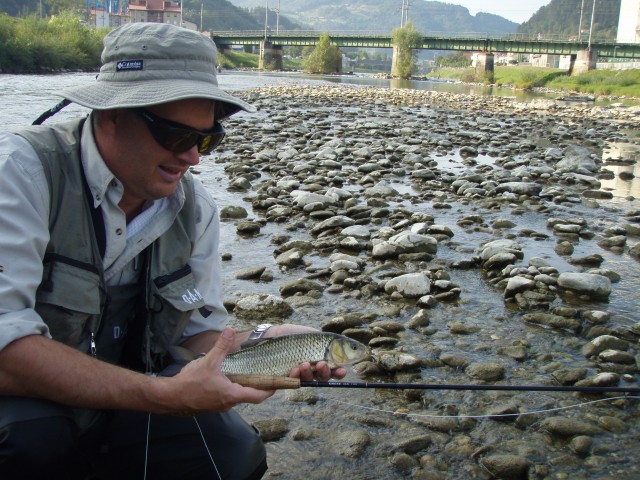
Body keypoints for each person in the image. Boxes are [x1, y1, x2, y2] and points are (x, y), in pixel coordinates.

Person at [0, 23, 344, 480]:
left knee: (233, 455)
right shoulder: (22, 172)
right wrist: (164, 396)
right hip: (27, 407)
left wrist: (265, 340)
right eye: (177, 136)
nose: (194, 158)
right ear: (112, 115)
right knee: (29, 444)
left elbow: (197, 337)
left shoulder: (195, 209)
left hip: (126, 399)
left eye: (207, 139)